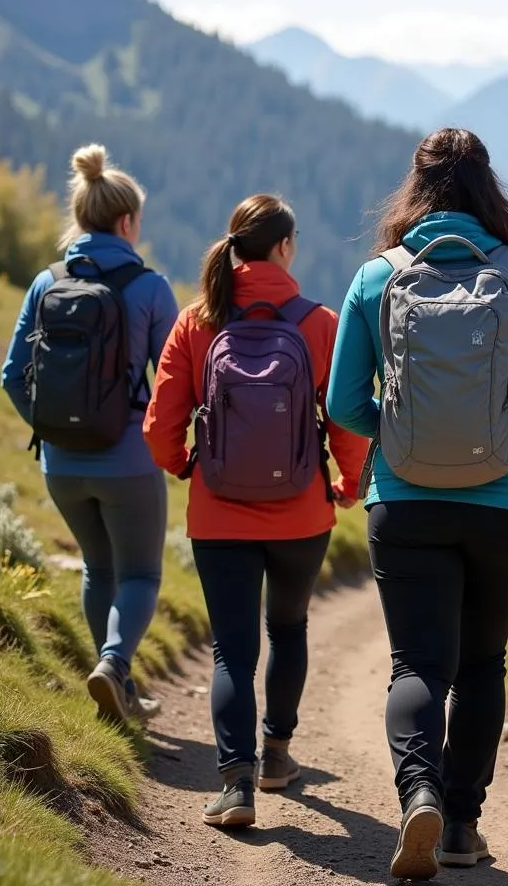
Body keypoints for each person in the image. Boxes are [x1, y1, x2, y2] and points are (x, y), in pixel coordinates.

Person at [326, 128, 508, 881]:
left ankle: (418, 797)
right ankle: (463, 827)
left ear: (416, 188)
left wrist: (400, 439)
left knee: (416, 666)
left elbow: (345, 403)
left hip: (405, 501)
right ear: (487, 188)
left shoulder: (376, 278)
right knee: (481, 663)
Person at [142, 194, 369, 828]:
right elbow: (346, 420)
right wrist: (348, 484)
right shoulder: (318, 323)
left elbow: (161, 425)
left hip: (219, 515)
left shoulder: (197, 322)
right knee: (289, 630)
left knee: (231, 652)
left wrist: (188, 467)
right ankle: (276, 755)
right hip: (301, 515)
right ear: (286, 247)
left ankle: (236, 786)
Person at [2, 144, 179, 722]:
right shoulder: (150, 287)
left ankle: (118, 687)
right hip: (128, 458)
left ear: (81, 217)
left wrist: (51, 429)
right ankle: (114, 666)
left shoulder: (46, 281)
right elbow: (175, 381)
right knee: (142, 573)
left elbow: (11, 376)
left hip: (62, 463)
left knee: (97, 567)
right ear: (127, 221)